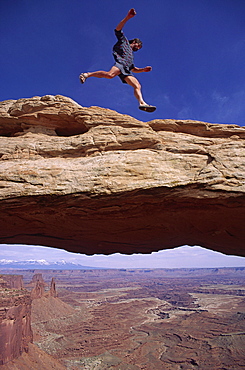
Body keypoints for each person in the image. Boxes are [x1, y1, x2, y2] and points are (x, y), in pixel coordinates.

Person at [79, 8, 156, 112]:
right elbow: (118, 29)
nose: (137, 49)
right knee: (109, 75)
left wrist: (143, 70)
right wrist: (127, 18)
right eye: (137, 46)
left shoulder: (131, 56)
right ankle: (87, 74)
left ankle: (142, 103)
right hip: (120, 64)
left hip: (127, 70)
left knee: (137, 85)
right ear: (134, 42)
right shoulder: (124, 42)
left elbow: (133, 69)